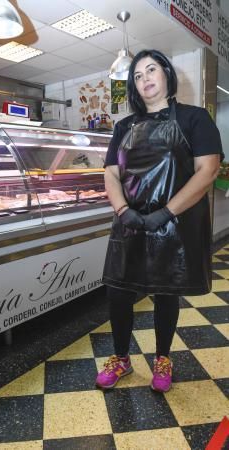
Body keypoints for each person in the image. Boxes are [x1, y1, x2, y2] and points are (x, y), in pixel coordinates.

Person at [96, 49, 224, 393]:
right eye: (137, 76)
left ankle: (163, 358)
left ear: (167, 74)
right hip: (130, 221)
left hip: (173, 225)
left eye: (151, 70)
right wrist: (124, 211)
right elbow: (110, 174)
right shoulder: (124, 125)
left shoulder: (194, 118)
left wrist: (165, 213)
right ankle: (121, 358)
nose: (144, 79)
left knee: (166, 293)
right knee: (118, 293)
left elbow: (207, 171)